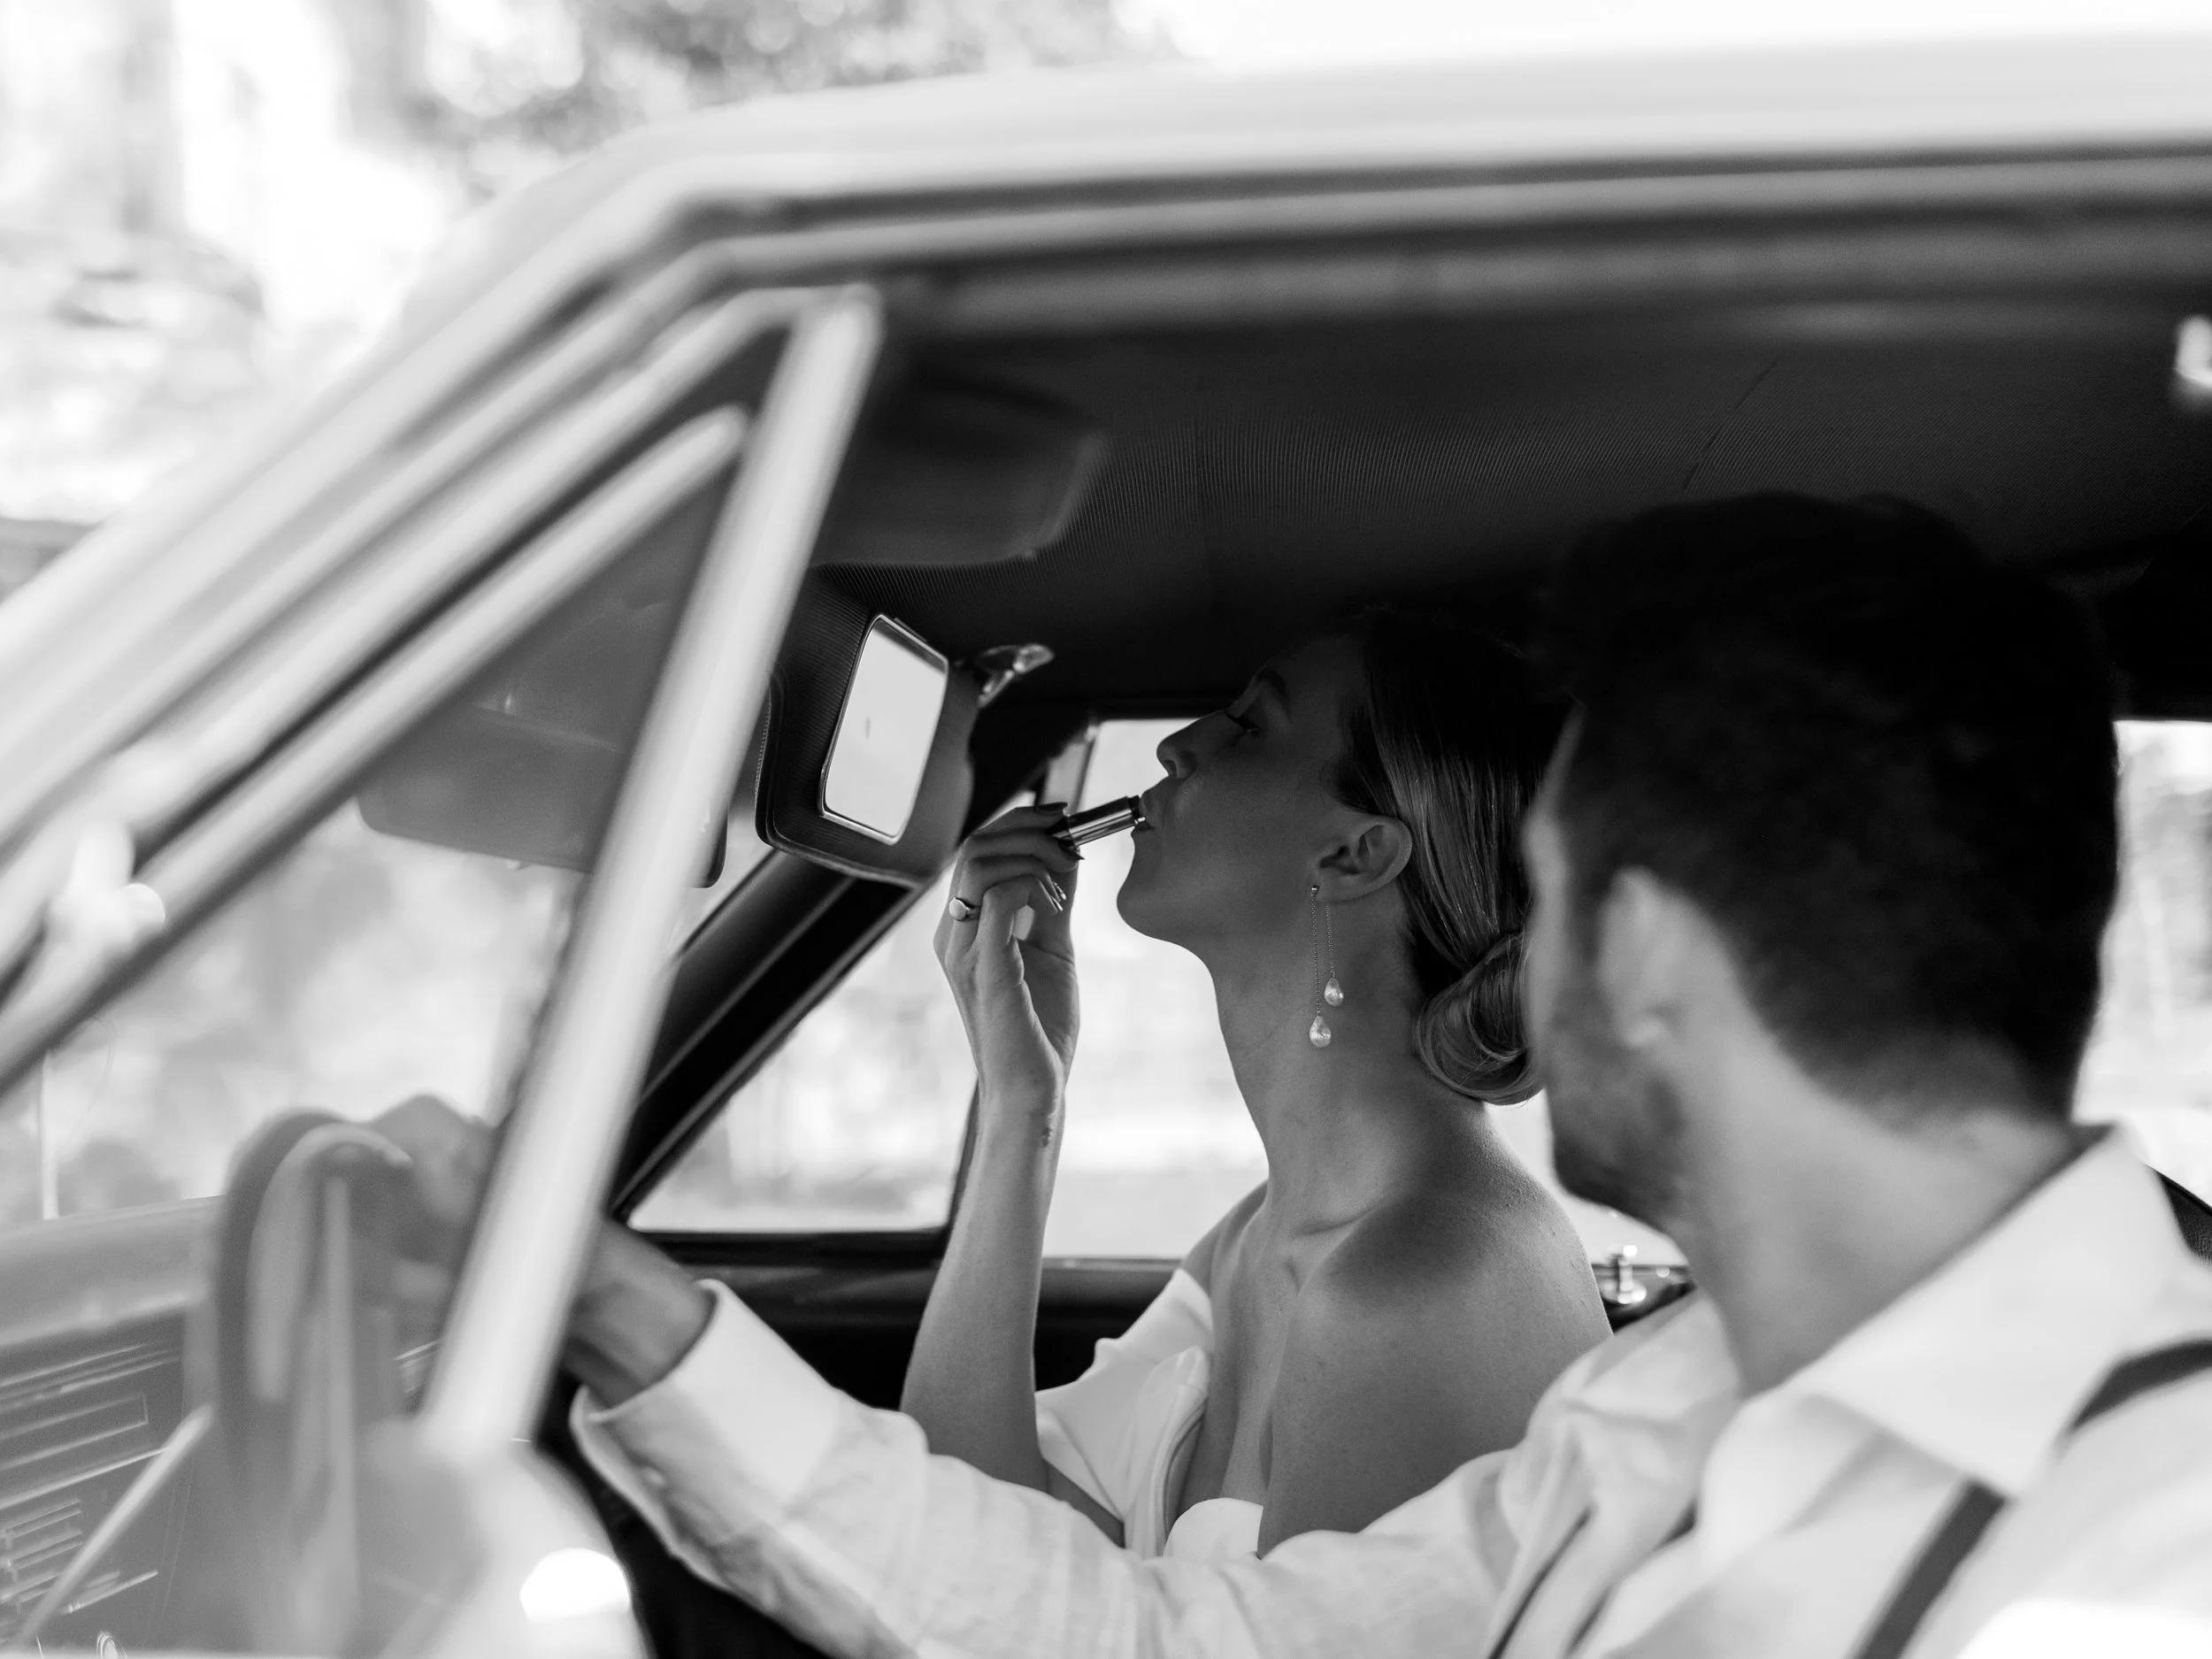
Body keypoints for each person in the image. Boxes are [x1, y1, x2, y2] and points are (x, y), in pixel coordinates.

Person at [383, 494, 2212, 1659]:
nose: (1519, 965)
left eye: (1552, 898)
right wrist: (626, 1314)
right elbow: (1149, 1637)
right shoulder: (1665, 1413)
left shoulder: (2139, 1555)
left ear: (1642, 947)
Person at [898, 617, 1608, 1560]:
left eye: (1246, 727)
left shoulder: (1418, 1288)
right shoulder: (1251, 1240)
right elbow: (965, 1533)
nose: (1176, 744)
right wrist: (1021, 1103)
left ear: (1353, 855)